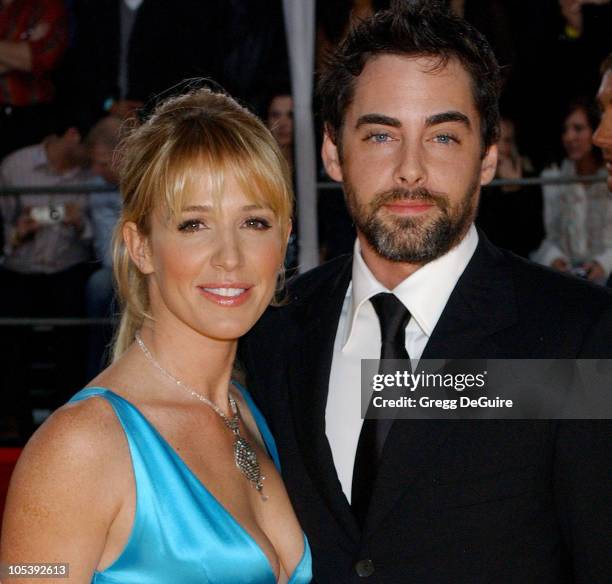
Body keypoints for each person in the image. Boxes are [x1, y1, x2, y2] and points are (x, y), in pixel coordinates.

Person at [240, 2, 612, 582]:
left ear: (487, 156)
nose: (410, 170)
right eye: (382, 135)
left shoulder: (577, 336)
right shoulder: (275, 328)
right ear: (332, 151)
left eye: (441, 136)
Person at [0, 88, 312, 584]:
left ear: (284, 237)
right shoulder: (79, 449)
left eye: (254, 222)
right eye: (194, 224)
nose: (230, 257)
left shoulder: (247, 410)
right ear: (140, 246)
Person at [532, 98, 611, 284]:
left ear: (596, 130)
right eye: (565, 130)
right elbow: (548, 236)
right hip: (568, 276)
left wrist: (604, 264)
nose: (569, 137)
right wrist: (555, 259)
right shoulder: (553, 176)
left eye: (578, 128)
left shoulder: (609, 175)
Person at [0, 0, 69, 159]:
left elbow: (40, 58)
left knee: (24, 177)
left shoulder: (45, 6)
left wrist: (28, 56)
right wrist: (21, 49)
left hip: (29, 116)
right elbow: (27, 57)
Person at [476, 116, 544, 257]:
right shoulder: (475, 181)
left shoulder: (529, 179)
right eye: (493, 140)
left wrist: (514, 191)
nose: (498, 148)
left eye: (506, 141)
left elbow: (531, 239)